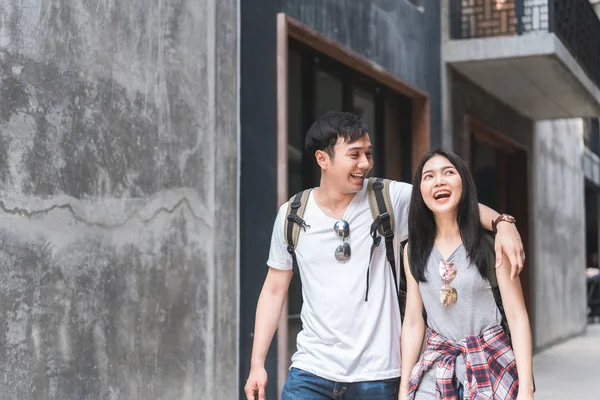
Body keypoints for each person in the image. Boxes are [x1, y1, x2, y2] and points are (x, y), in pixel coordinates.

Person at [244, 112, 525, 400]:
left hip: (378, 376)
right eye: (354, 155)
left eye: (368, 153)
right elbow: (274, 290)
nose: (365, 163)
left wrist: (503, 223)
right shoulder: (293, 215)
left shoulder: (388, 198)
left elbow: (450, 200)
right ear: (322, 159)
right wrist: (257, 364)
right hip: (311, 371)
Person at [399, 149, 534, 400]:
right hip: (437, 371)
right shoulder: (412, 250)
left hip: (492, 366)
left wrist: (526, 389)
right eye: (429, 176)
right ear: (420, 191)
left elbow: (517, 317)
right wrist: (404, 390)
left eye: (448, 172)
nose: (439, 181)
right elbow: (414, 322)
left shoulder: (492, 244)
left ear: (464, 182)